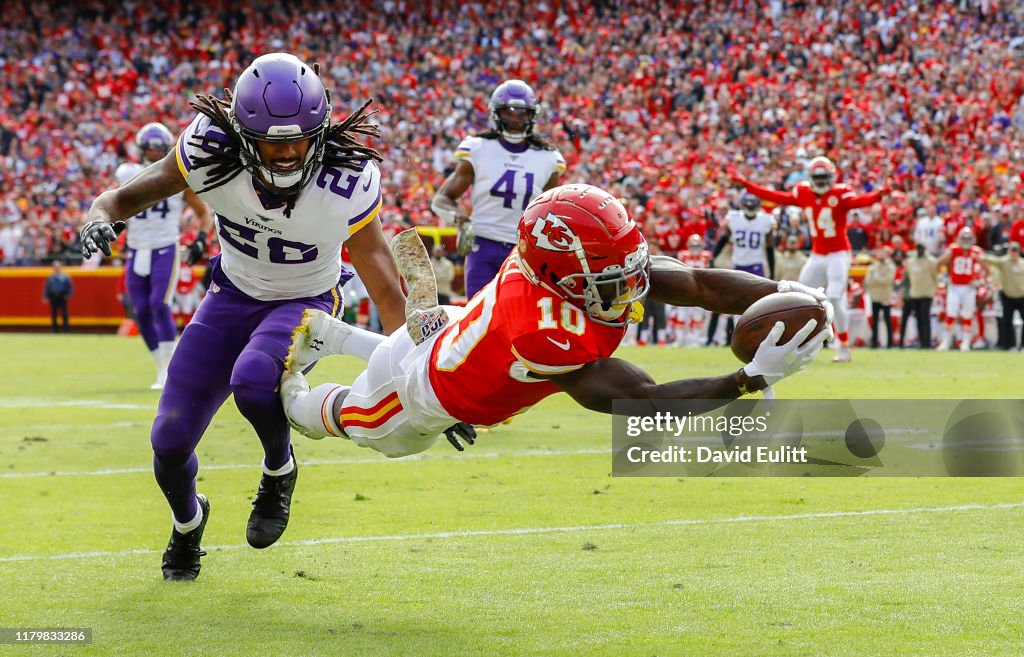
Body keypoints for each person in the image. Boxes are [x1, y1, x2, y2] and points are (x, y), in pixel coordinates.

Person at [80, 53, 407, 582]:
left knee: (254, 378)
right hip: (230, 295)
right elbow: (123, 197)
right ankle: (188, 526)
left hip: (305, 301)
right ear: (240, 133)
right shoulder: (210, 150)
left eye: (298, 140)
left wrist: (423, 375)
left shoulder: (345, 179)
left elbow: (388, 289)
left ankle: (279, 469)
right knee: (167, 441)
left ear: (320, 132)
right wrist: (100, 215)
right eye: (273, 142)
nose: (286, 154)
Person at [278, 184, 832, 462]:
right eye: (611, 278)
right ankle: (290, 382)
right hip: (423, 390)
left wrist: (788, 293)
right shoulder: (543, 332)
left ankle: (341, 334)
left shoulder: (564, 270)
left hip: (458, 335)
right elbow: (643, 401)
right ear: (561, 278)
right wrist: (750, 379)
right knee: (362, 427)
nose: (630, 287)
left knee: (416, 343)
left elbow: (698, 284)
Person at [734, 156, 889, 362]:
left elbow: (858, 201)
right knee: (798, 298)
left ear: (831, 177)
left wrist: (878, 195)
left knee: (834, 297)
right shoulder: (804, 192)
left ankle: (843, 347)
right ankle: (798, 344)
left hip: (838, 253)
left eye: (824, 177)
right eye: (818, 177)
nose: (822, 181)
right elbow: (777, 197)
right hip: (817, 255)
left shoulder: (839, 194)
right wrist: (747, 185)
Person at [431, 80, 566, 297]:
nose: (515, 119)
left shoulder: (549, 159)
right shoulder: (478, 148)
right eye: (509, 112)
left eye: (522, 114)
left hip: (523, 250)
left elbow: (549, 212)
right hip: (482, 244)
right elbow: (442, 198)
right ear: (496, 113)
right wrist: (461, 220)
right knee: (478, 314)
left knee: (518, 318)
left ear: (532, 116)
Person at [115, 122, 212, 389]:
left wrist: (200, 240)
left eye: (160, 148)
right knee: (142, 310)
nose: (156, 153)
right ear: (142, 148)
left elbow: (204, 214)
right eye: (151, 148)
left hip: (165, 246)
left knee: (159, 304)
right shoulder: (127, 173)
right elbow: (115, 203)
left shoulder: (176, 177)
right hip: (136, 248)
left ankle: (169, 369)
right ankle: (160, 365)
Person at [936, 228, 984, 351]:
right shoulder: (954, 250)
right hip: (954, 286)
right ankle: (945, 342)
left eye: (969, 238)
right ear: (959, 238)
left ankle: (966, 343)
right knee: (951, 313)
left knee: (967, 315)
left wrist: (981, 280)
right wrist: (943, 276)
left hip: (969, 287)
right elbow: (939, 263)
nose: (966, 241)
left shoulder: (976, 252)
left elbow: (987, 268)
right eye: (964, 238)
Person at [982, 242, 1024, 350]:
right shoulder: (1004, 262)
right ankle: (1009, 345)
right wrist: (981, 254)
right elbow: (991, 259)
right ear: (1009, 251)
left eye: (1016, 251)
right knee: (1007, 322)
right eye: (1012, 251)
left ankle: (1022, 345)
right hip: (1008, 296)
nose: (1014, 253)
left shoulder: (1022, 263)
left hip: (1021, 296)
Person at [899, 244, 938, 349]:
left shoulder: (931, 261)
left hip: (926, 293)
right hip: (914, 293)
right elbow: (907, 278)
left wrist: (934, 289)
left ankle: (927, 342)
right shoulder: (911, 261)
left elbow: (935, 276)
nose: (920, 250)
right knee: (918, 318)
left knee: (925, 318)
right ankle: (921, 341)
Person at [864, 247, 897, 348]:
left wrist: (876, 279)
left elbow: (888, 280)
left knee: (888, 320)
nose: (881, 256)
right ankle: (874, 342)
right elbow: (868, 281)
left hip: (885, 296)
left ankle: (889, 343)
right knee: (875, 321)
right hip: (875, 296)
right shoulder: (873, 267)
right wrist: (880, 280)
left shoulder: (890, 266)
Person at [43, 260, 72, 333]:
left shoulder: (65, 277)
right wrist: (46, 296)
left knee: (64, 313)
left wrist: (68, 294)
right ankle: (55, 329)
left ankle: (65, 329)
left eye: (58, 267)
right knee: (54, 313)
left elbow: (69, 287)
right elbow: (47, 287)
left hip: (62, 296)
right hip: (53, 296)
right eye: (55, 267)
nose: (56, 268)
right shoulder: (51, 277)